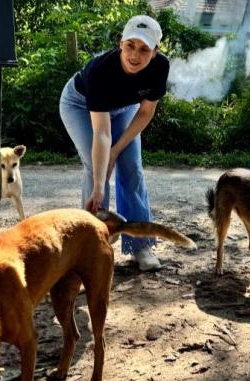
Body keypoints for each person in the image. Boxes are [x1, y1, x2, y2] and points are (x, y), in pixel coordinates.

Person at [59, 15, 169, 271]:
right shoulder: (101, 71)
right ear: (121, 44)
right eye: (130, 45)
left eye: (144, 49)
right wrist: (99, 185)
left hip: (125, 109)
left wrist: (117, 150)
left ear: (154, 52)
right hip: (78, 103)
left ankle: (141, 246)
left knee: (131, 167)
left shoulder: (160, 67)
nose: (135, 55)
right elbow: (101, 133)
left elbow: (145, 112)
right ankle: (90, 251)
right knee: (95, 167)